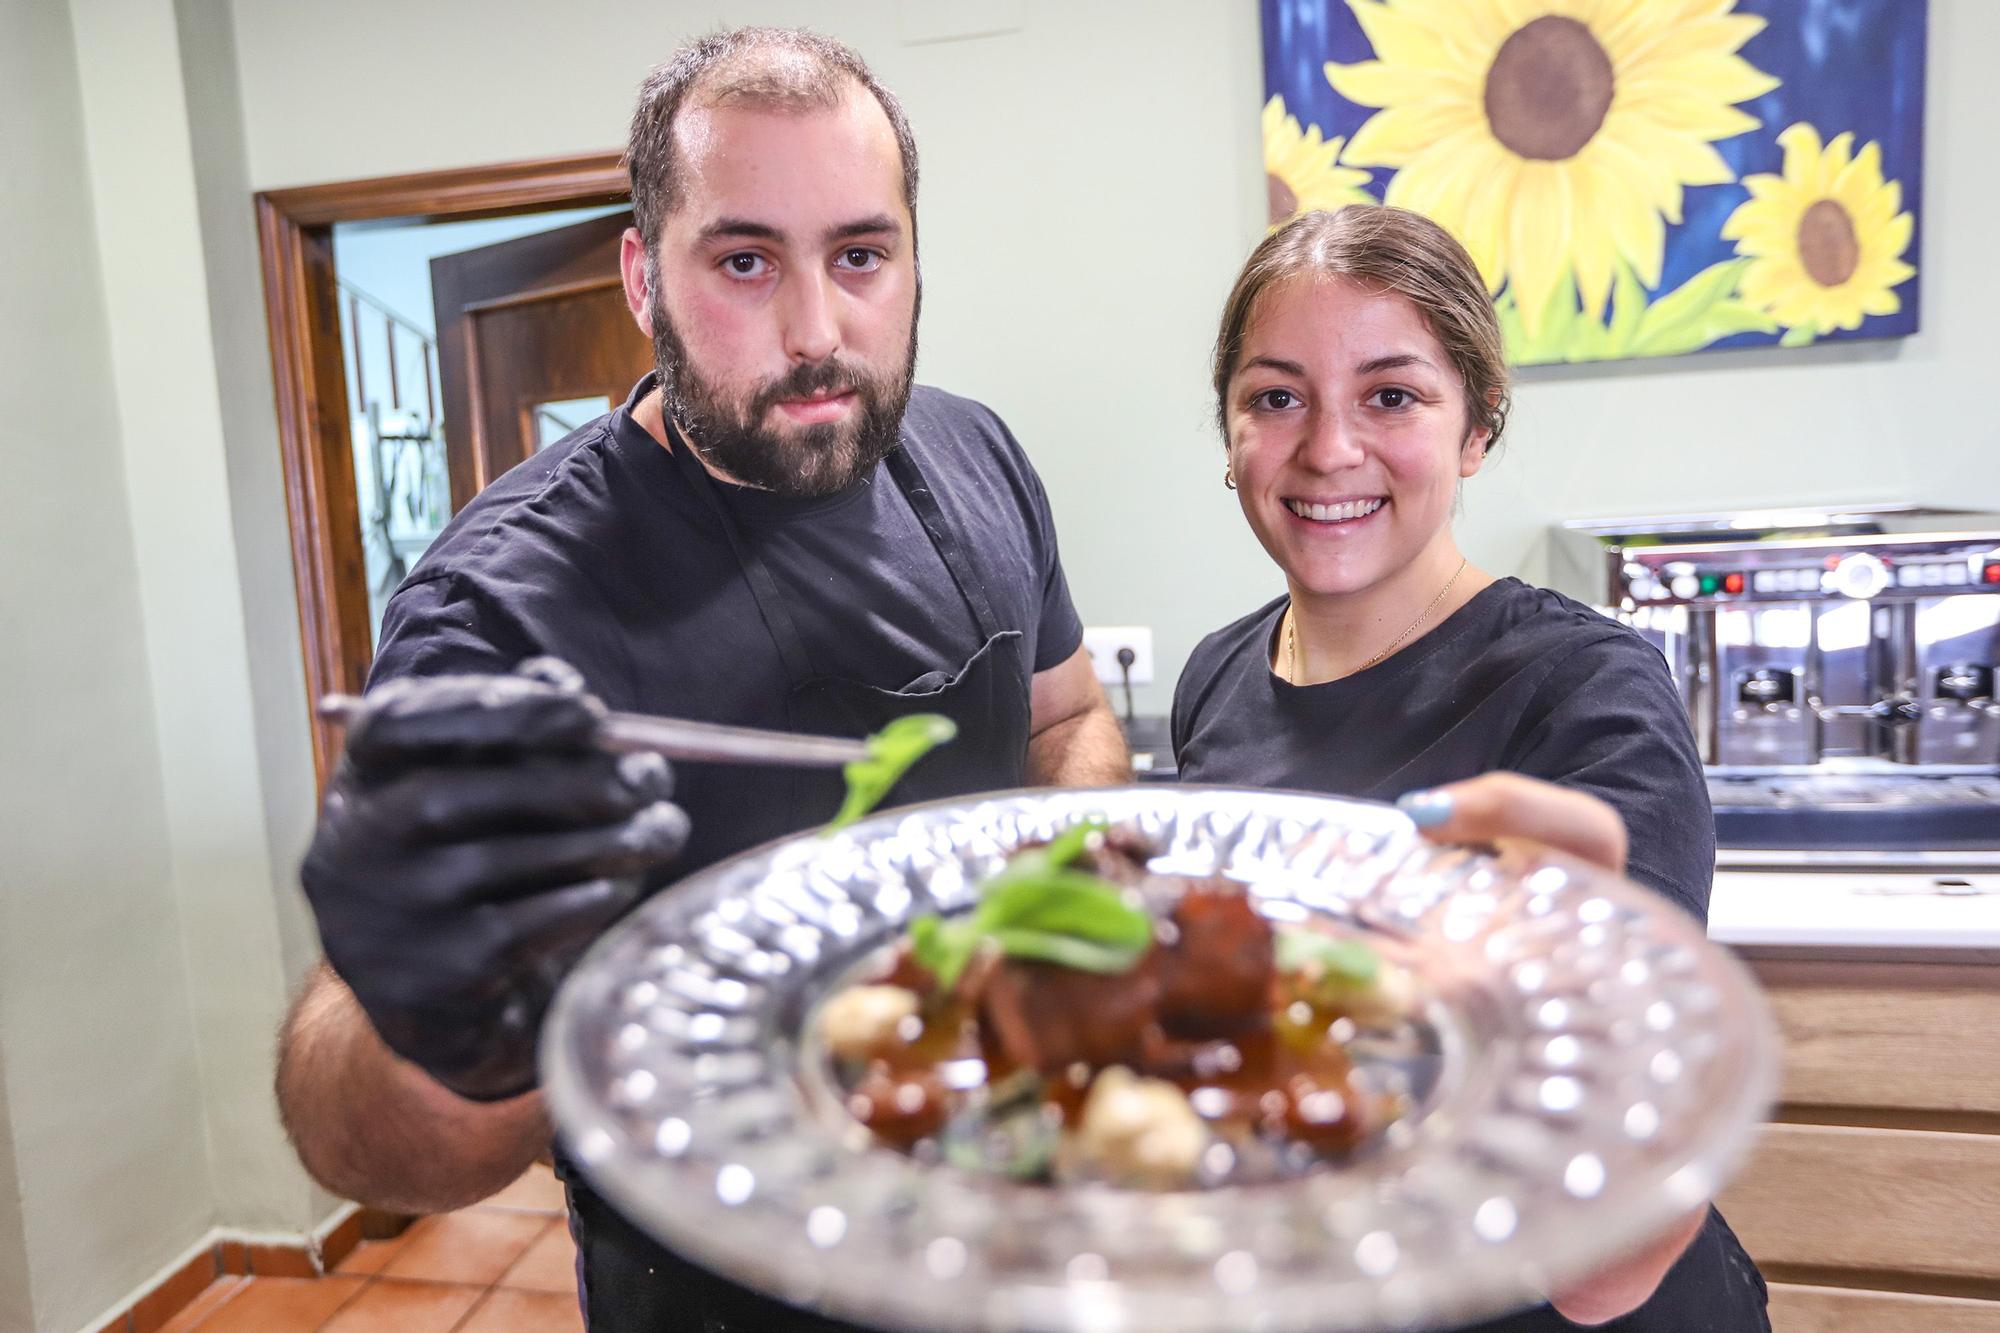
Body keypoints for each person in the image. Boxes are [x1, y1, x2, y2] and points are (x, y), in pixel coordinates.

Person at [278, 27, 1130, 1332]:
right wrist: (439, 1009)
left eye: (861, 255)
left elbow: (1066, 717)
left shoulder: (974, 454)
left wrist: (1068, 879)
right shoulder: (498, 607)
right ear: (642, 277)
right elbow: (358, 1137)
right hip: (716, 1286)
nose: (817, 329)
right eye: (744, 261)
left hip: (1007, 1222)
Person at [1171, 204, 1771, 1330]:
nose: (1326, 449)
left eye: (1390, 395)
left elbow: (1613, 1179)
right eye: (1274, 396)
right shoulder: (1217, 672)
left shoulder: (1586, 691)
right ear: (1230, 432)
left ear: (1475, 429)